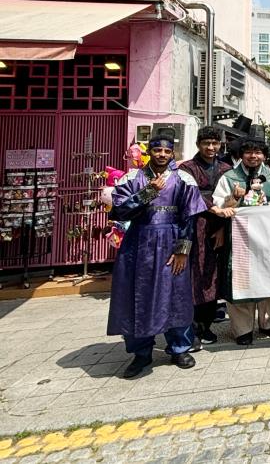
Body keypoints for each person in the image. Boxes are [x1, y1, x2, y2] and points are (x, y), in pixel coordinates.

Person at [108, 131, 207, 379]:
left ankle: (179, 348)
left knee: (176, 294)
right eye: (156, 150)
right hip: (138, 243)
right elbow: (118, 211)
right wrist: (147, 193)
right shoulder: (133, 178)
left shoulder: (184, 179)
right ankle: (141, 353)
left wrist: (183, 250)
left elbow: (189, 217)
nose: (161, 155)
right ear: (148, 152)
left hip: (172, 241)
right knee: (138, 295)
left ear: (172, 152)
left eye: (166, 151)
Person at [212, 136, 270, 345]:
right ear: (241, 154)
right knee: (240, 279)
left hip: (266, 237)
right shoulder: (229, 177)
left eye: (258, 152)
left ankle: (269, 323)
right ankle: (242, 329)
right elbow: (219, 205)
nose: (254, 156)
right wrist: (233, 199)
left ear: (264, 155)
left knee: (269, 277)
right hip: (239, 238)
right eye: (249, 152)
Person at [178, 126, 233, 347]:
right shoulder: (187, 168)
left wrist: (222, 226)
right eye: (206, 143)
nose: (211, 148)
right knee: (194, 275)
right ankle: (191, 326)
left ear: (220, 145)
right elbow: (190, 195)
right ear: (198, 144)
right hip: (194, 224)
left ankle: (207, 325)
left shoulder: (226, 168)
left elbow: (230, 198)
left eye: (215, 143)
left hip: (219, 226)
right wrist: (214, 209)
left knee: (214, 277)